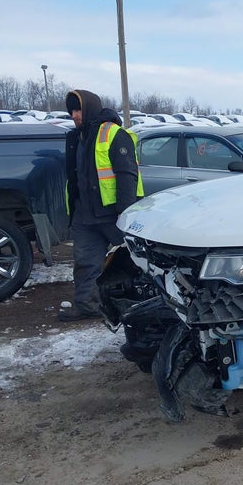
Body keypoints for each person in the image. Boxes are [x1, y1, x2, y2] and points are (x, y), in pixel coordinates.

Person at [59, 89, 143, 321]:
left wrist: (125, 214)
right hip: (85, 215)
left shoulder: (114, 134)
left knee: (133, 262)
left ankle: (140, 305)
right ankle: (87, 305)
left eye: (78, 109)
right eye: (71, 111)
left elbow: (127, 175)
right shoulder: (76, 137)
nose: (74, 115)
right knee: (85, 263)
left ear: (89, 108)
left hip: (114, 213)